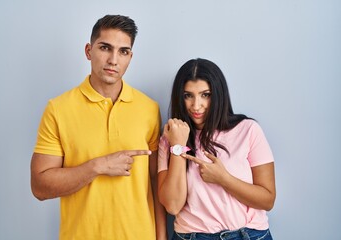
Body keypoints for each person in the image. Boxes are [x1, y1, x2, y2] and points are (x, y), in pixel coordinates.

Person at [31, 15, 167, 240]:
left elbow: (155, 181)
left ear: (130, 57)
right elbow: (39, 186)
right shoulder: (58, 109)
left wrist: (161, 237)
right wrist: (98, 166)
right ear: (88, 51)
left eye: (123, 51)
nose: (113, 60)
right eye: (105, 48)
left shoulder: (149, 108)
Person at [158, 58, 276, 240]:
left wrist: (223, 179)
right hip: (192, 236)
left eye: (205, 95)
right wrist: (178, 146)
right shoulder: (170, 139)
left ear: (218, 94)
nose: (196, 106)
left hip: (248, 235)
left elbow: (267, 200)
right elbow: (173, 206)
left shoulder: (248, 130)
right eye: (188, 95)